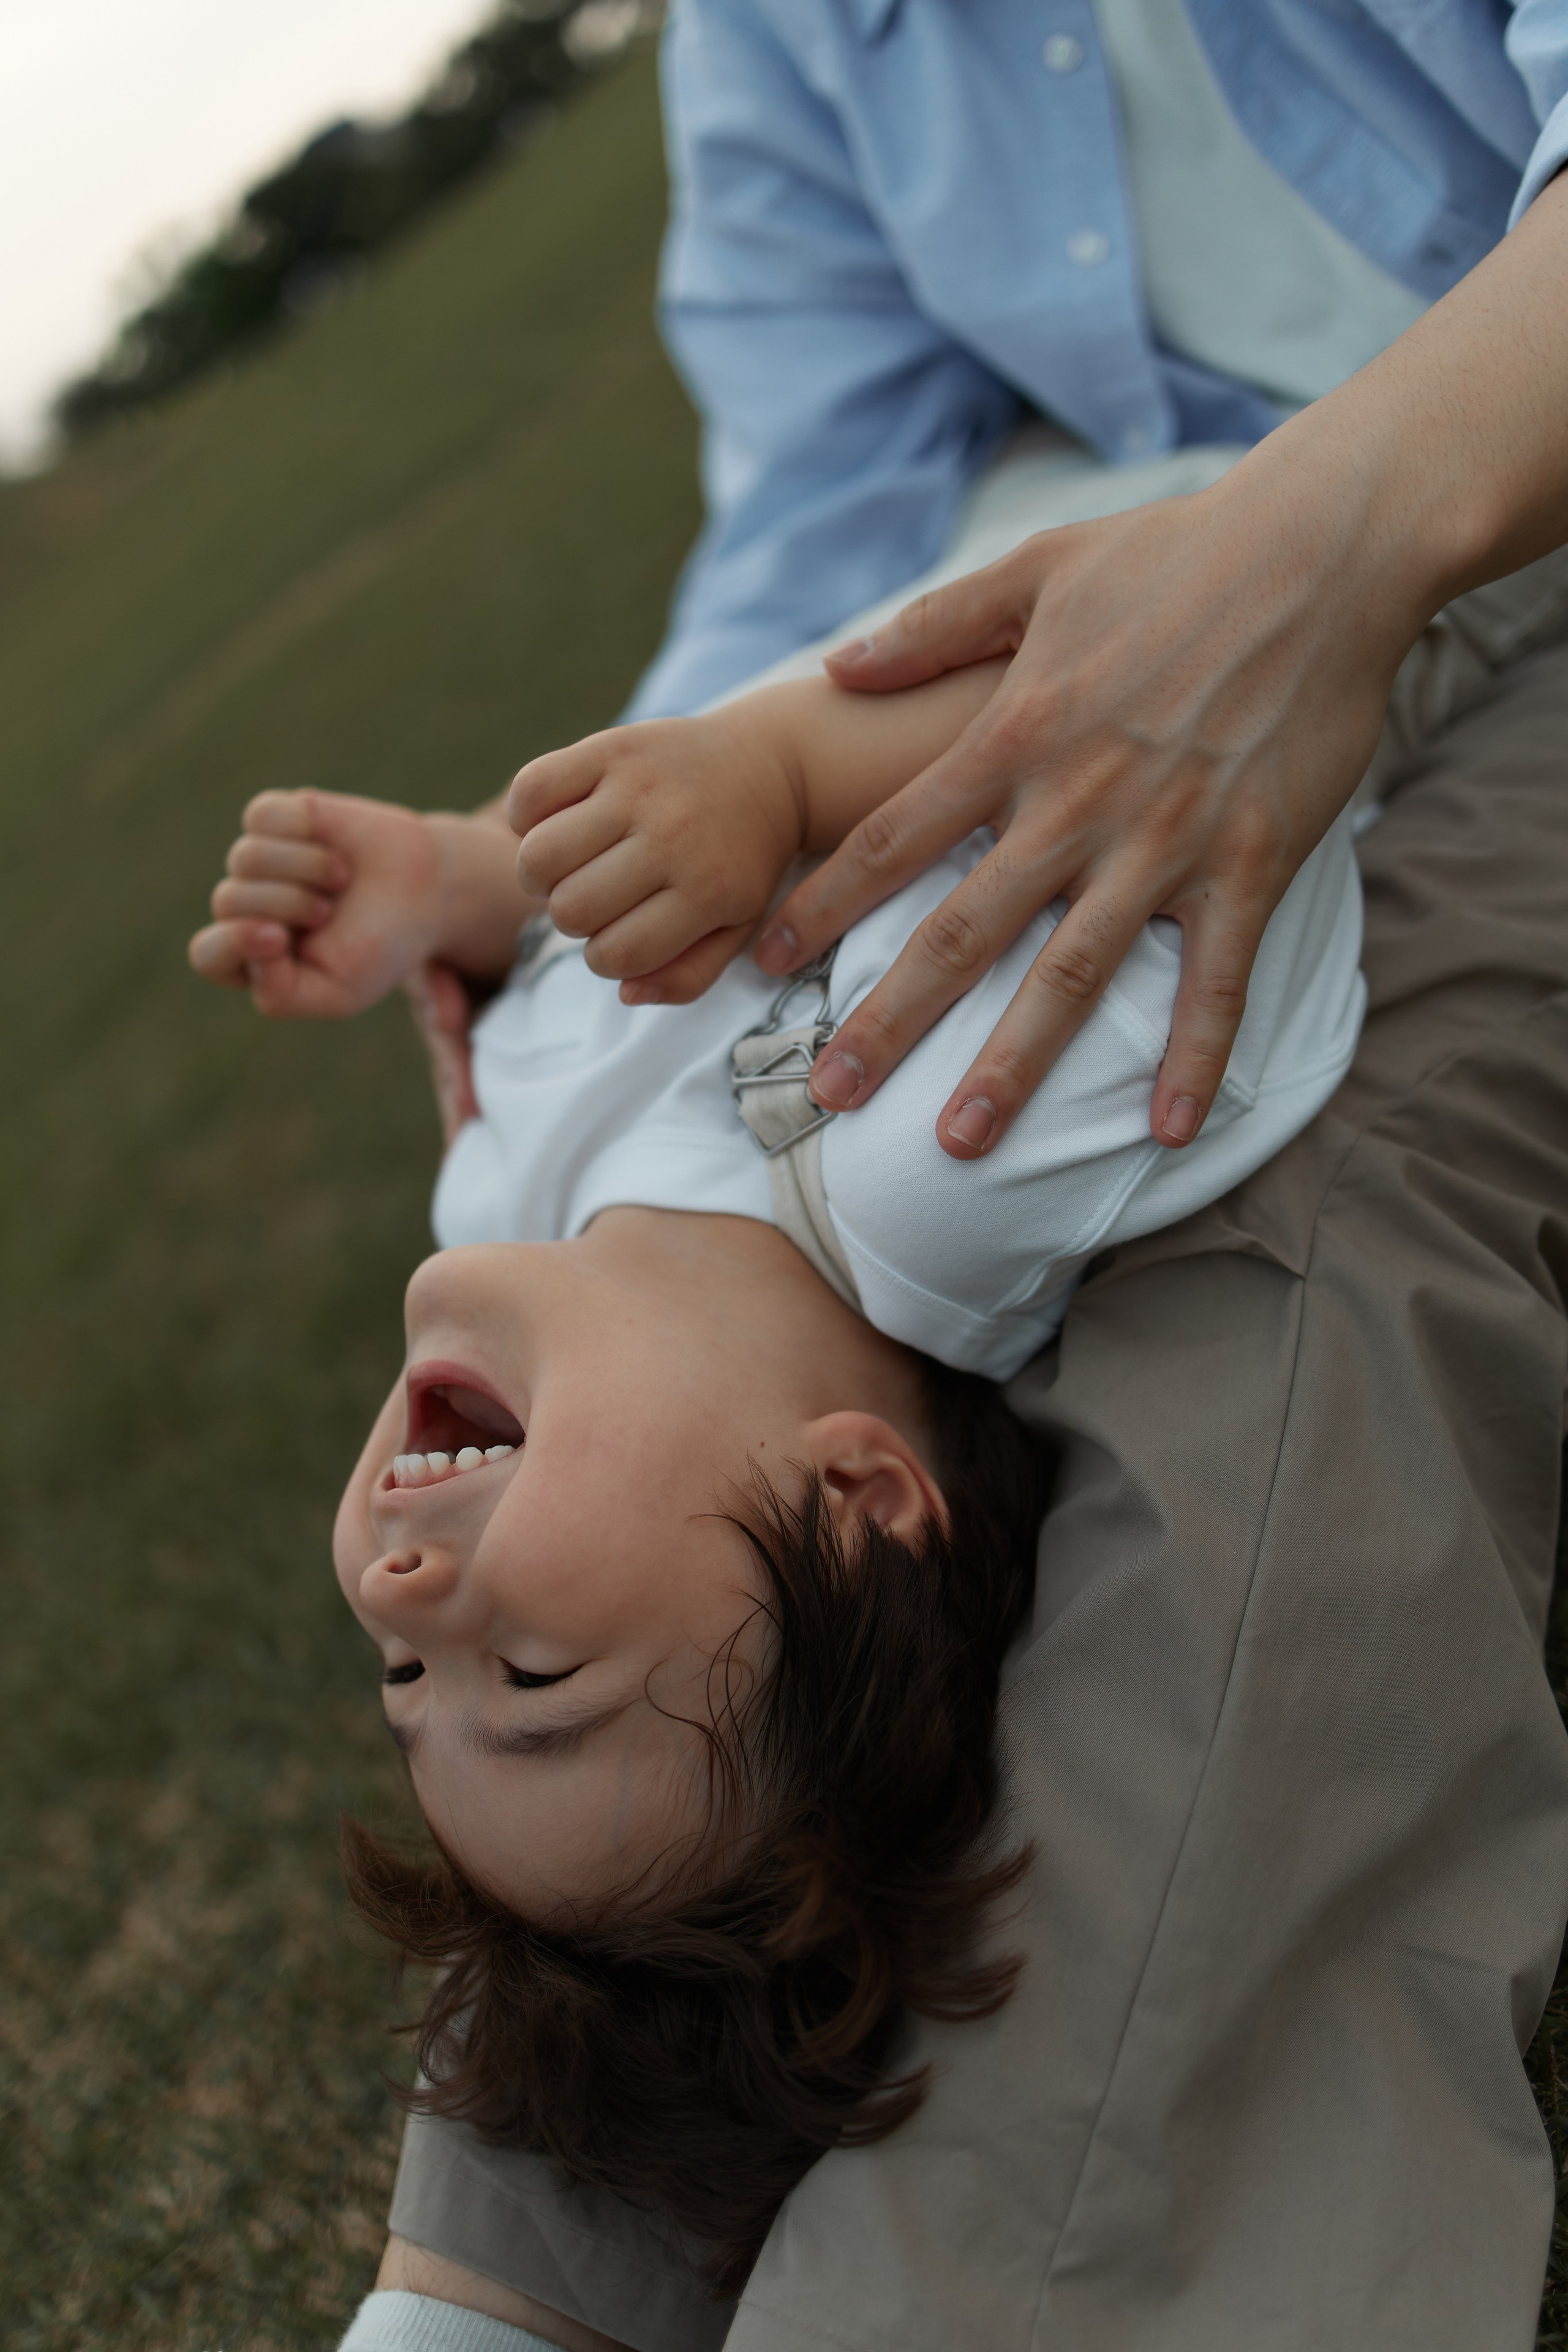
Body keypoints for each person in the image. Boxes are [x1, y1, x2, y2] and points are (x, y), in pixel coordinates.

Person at [189, 2, 1568, 2345]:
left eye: (402, 1659)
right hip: (1023, 688)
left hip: (1446, 561)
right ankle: (540, 2245)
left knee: (1282, 1297)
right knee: (683, 1799)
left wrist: (1285, 558)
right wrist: (547, 848)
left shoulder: (689, 1195)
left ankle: (999, 2293)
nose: (394, 1588)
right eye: (466, 1647)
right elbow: (814, 538)